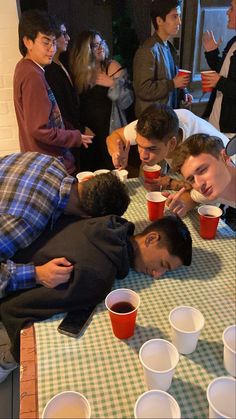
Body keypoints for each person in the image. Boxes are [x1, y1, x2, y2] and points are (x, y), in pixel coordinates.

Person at [0, 213, 192, 380]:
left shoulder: (108, 223)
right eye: (163, 264)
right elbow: (20, 306)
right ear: (150, 239)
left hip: (14, 252)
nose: (157, 274)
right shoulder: (98, 276)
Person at [0, 152, 130, 297]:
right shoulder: (27, 220)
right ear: (87, 217)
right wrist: (36, 275)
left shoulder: (49, 161)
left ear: (87, 178)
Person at [106, 103, 229, 216]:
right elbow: (115, 136)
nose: (142, 156)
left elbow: (205, 192)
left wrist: (184, 200)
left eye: (151, 149)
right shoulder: (155, 123)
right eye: (139, 145)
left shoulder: (200, 147)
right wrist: (116, 153)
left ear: (172, 143)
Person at [13, 9, 93, 176]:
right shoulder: (32, 74)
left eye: (54, 42)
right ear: (28, 41)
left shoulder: (27, 68)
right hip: (49, 165)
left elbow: (50, 117)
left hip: (43, 161)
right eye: (46, 42)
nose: (51, 49)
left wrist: (73, 131)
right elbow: (39, 129)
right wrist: (74, 137)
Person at [69, 29, 134, 171]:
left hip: (109, 130)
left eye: (101, 43)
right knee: (90, 173)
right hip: (88, 133)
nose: (100, 47)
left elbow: (127, 102)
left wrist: (112, 84)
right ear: (85, 51)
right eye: (94, 45)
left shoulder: (112, 67)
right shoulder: (79, 73)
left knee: (112, 171)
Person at [133, 0, 192, 118]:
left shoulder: (169, 47)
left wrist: (183, 93)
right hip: (152, 121)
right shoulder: (148, 50)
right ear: (159, 20)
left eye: (179, 16)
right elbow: (142, 89)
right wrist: (172, 84)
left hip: (167, 117)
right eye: (174, 17)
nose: (179, 22)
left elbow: (173, 78)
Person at [172, 134, 236, 209]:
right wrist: (184, 204)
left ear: (225, 158)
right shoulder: (213, 188)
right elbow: (193, 196)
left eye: (202, 170)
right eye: (191, 179)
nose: (199, 184)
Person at [202, 0, 236, 134]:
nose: (227, 12)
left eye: (232, 9)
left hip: (231, 130)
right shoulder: (233, 41)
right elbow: (222, 72)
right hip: (217, 121)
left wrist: (219, 82)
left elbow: (222, 81)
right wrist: (212, 53)